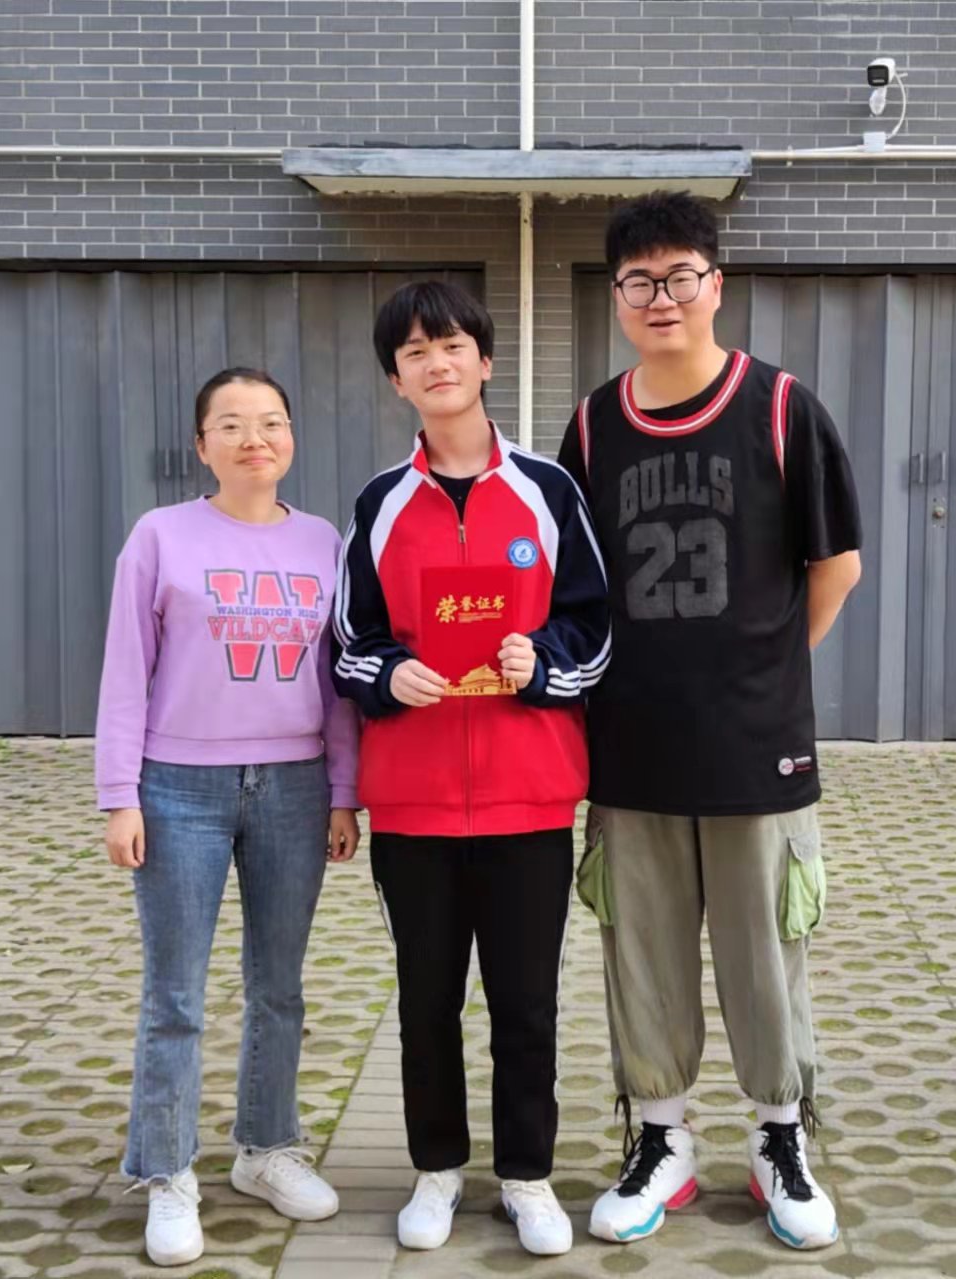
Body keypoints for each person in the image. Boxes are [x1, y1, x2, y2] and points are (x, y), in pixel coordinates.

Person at [557, 191, 864, 1252]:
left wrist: (762, 671)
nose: (661, 298)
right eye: (638, 281)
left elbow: (836, 566)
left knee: (766, 952)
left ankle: (781, 1136)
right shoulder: (592, 426)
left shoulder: (781, 408)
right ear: (617, 297)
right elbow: (574, 587)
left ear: (715, 284)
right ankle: (661, 1137)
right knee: (641, 950)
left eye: (679, 276)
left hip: (753, 748)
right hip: (630, 748)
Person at [331, 280, 612, 1256]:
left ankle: (528, 1175)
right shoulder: (379, 504)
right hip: (412, 804)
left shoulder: (549, 490)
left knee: (527, 1004)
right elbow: (348, 643)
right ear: (397, 379)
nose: (435, 362)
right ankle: (438, 1168)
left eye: (450, 344)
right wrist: (388, 674)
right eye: (414, 351)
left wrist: (545, 662)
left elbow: (594, 624)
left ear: (485, 361)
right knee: (426, 1003)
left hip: (528, 795)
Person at [96, 367, 362, 1268]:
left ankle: (266, 1147)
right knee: (175, 993)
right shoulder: (160, 536)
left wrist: (343, 791)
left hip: (293, 787)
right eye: (234, 424)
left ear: (291, 438)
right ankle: (167, 1169)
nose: (256, 439)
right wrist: (119, 795)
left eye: (272, 422)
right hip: (179, 789)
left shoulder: (323, 542)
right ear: (201, 443)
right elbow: (125, 670)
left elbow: (338, 683)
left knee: (278, 985)